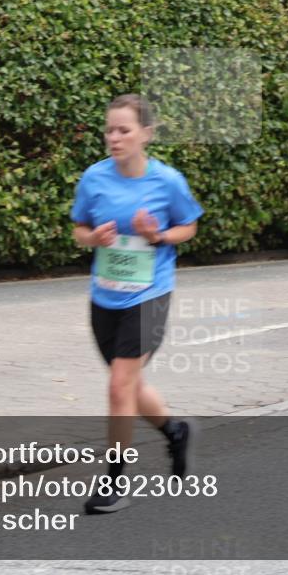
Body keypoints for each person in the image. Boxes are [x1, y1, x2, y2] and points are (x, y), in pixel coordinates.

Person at [71, 93, 203, 515]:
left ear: (145, 134)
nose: (114, 137)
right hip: (105, 294)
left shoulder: (167, 182)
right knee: (127, 385)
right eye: (109, 129)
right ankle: (176, 432)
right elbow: (79, 228)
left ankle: (114, 480)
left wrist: (158, 236)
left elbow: (189, 226)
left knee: (118, 385)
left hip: (150, 293)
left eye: (123, 130)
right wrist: (93, 239)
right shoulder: (94, 179)